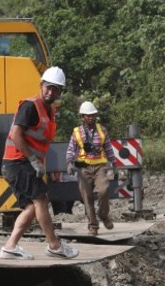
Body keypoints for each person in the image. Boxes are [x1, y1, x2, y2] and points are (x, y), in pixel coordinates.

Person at [0, 66, 79, 260]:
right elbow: (16, 135)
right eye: (48, 87)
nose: (50, 92)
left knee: (32, 207)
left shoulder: (49, 110)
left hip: (20, 164)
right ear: (41, 85)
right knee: (41, 200)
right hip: (19, 163)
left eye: (55, 89)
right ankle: (54, 245)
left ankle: (10, 247)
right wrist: (33, 160)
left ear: (60, 91)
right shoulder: (30, 106)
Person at [66, 101, 117, 236]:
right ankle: (93, 226)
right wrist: (69, 163)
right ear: (82, 117)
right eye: (87, 116)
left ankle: (103, 215)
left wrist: (114, 163)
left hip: (100, 166)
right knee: (87, 197)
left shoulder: (102, 130)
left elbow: (108, 148)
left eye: (92, 115)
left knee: (104, 190)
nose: (90, 118)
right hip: (83, 168)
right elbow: (71, 149)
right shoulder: (77, 132)